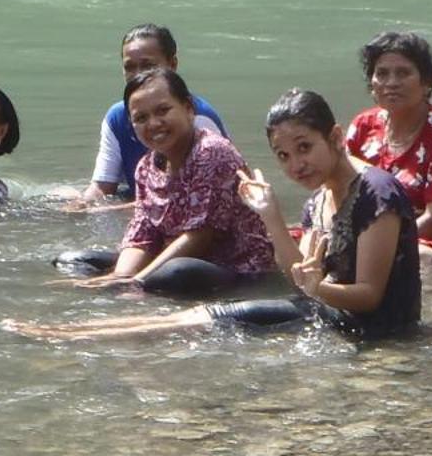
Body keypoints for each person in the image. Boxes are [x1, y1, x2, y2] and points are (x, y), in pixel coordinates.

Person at [10, 89, 420, 342]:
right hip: (324, 311)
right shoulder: (318, 200)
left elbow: (369, 297)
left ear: (334, 137)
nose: (296, 164)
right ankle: (69, 332)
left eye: (304, 147)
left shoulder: (376, 192)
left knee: (200, 319)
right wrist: (271, 215)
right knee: (199, 318)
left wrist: (318, 288)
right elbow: (302, 275)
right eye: (283, 155)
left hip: (369, 329)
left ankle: (65, 336)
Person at [54, 67, 275, 295]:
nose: (154, 123)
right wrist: (119, 278)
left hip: (234, 269)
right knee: (72, 261)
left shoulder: (212, 152)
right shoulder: (146, 167)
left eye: (163, 111)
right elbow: (142, 236)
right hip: (171, 257)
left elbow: (199, 236)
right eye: (141, 118)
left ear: (188, 109)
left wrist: (136, 282)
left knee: (176, 272)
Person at [344, 31, 432, 254]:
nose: (391, 83)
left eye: (403, 73)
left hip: (426, 240)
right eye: (382, 74)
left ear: (426, 82)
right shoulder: (363, 125)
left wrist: (375, 245)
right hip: (366, 235)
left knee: (421, 256)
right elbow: (338, 190)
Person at [78, 23, 227, 204]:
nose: (138, 75)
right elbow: (103, 186)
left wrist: (109, 211)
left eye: (148, 65)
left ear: (172, 65)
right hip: (143, 201)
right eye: (129, 67)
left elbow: (201, 203)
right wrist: (81, 207)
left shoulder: (197, 118)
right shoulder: (117, 117)